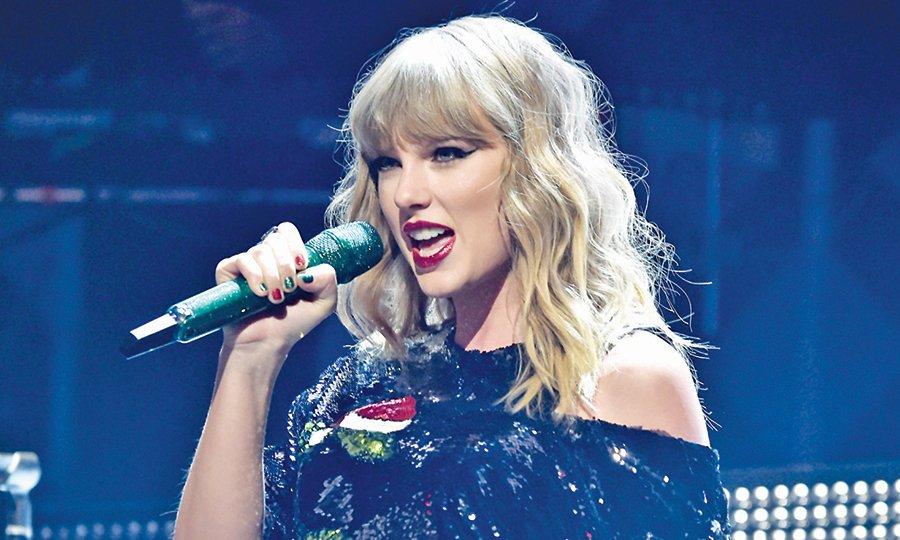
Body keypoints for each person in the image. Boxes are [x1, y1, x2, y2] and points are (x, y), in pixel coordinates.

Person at [175, 15, 730, 539]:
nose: (406, 193)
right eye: (387, 163)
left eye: (446, 153)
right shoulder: (358, 390)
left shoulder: (622, 379)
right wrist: (249, 359)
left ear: (536, 169)